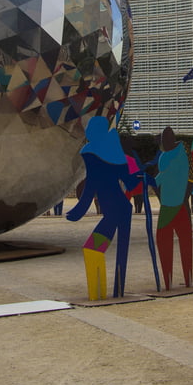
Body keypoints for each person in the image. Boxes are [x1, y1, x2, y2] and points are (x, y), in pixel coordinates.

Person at [67, 117, 140, 300]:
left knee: (91, 250)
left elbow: (91, 184)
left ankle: (98, 294)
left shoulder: (91, 153)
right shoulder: (114, 153)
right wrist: (139, 174)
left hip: (114, 210)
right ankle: (113, 291)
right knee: (116, 252)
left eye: (89, 128)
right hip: (122, 207)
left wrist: (79, 211)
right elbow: (131, 183)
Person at [151, 127, 193, 290]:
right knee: (185, 241)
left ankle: (168, 282)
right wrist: (185, 198)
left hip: (169, 206)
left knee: (164, 241)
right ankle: (187, 279)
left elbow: (158, 181)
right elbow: (190, 179)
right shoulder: (184, 152)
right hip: (181, 204)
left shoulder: (166, 157)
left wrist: (161, 197)